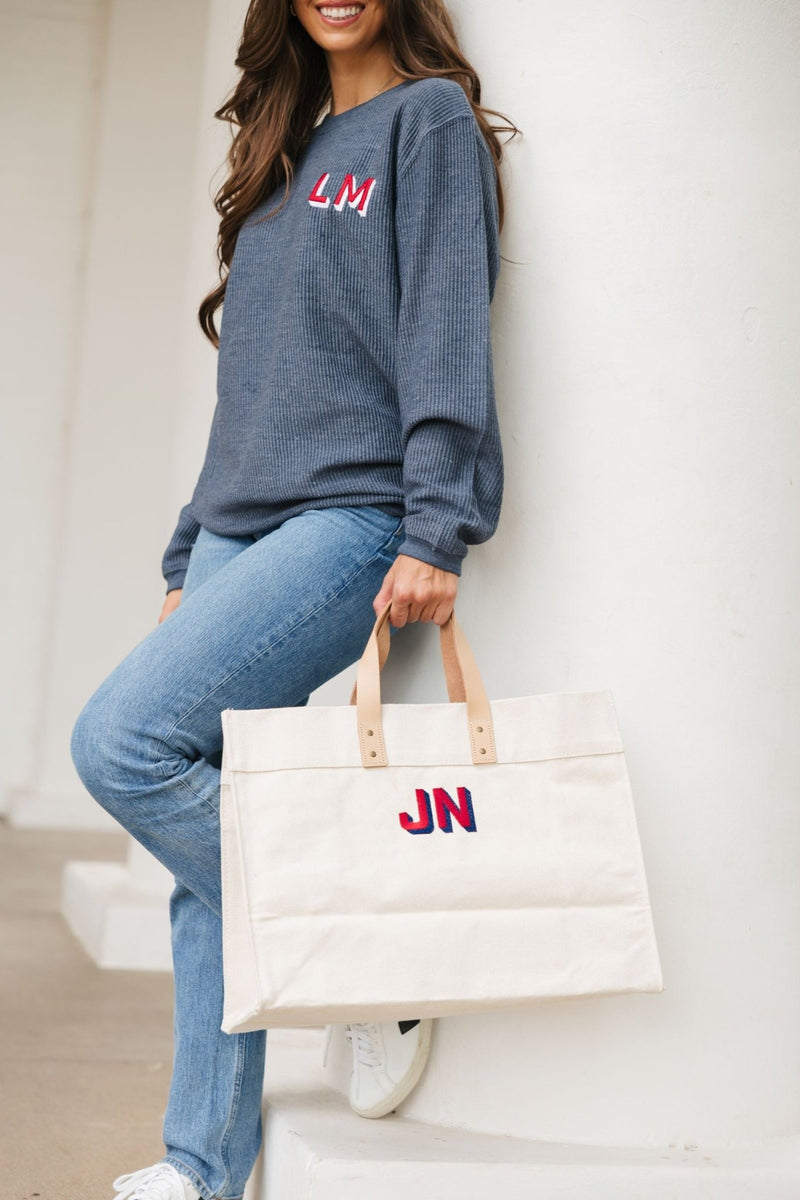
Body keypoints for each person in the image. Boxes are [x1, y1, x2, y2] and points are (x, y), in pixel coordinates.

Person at [70, 1, 516, 1197]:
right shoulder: (284, 149)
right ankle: (201, 1167)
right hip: (236, 525)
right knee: (203, 843)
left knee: (120, 743)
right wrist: (186, 552)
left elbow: (442, 335)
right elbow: (254, 380)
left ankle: (365, 955)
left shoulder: (426, 127)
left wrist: (435, 526)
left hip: (352, 519)